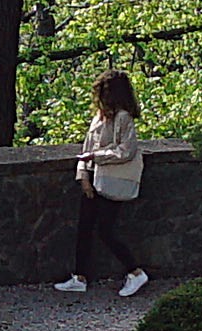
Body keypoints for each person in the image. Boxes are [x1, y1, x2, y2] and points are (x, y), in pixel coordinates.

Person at [57, 74, 156, 300]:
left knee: (105, 230)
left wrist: (97, 157)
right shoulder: (99, 118)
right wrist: (83, 176)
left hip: (111, 179)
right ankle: (80, 277)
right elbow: (86, 148)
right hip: (94, 177)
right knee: (85, 228)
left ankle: (135, 271)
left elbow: (126, 150)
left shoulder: (123, 118)